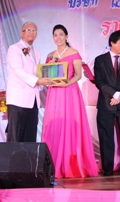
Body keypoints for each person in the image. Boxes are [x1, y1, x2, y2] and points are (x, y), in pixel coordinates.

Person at [41, 25, 98, 178]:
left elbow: (78, 75)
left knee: (69, 124)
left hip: (69, 92)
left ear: (66, 36)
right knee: (55, 125)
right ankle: (53, 163)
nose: (58, 38)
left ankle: (70, 163)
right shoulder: (50, 55)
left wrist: (66, 83)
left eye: (61, 34)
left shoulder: (74, 53)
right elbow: (46, 75)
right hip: (54, 93)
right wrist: (49, 76)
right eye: (55, 35)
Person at [94, 30, 120, 176]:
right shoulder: (100, 60)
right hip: (106, 103)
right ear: (112, 43)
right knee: (106, 136)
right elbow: (99, 82)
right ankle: (107, 168)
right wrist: (114, 94)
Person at [6, 22, 52, 143]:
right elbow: (18, 70)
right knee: (15, 137)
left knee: (30, 138)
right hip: (18, 99)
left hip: (33, 100)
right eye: (28, 30)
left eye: (34, 31)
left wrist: (50, 73)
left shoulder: (36, 52)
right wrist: (38, 80)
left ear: (37, 35)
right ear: (22, 33)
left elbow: (36, 71)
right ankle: (13, 157)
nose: (31, 33)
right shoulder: (14, 48)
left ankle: (29, 157)